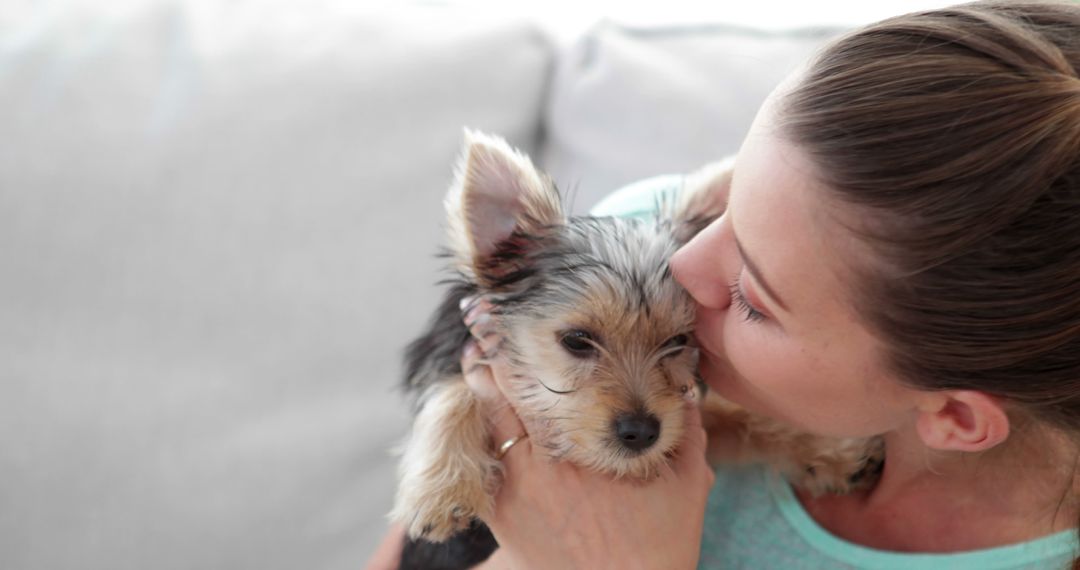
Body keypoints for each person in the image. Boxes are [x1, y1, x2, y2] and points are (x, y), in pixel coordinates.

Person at [367, 1, 1080, 568]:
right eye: (730, 216)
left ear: (955, 417)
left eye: (753, 299)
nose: (686, 269)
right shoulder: (644, 240)